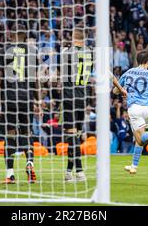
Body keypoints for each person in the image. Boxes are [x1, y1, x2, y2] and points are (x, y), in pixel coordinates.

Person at [0, 23, 40, 184]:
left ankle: (10, 174)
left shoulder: (3, 51)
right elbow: (35, 80)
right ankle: (30, 164)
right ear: (25, 36)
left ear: (11, 34)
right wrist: (39, 101)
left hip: (10, 98)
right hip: (27, 98)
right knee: (27, 133)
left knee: (11, 135)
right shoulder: (32, 52)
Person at [113, 50, 148, 174]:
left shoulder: (128, 72)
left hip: (135, 109)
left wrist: (123, 91)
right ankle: (134, 166)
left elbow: (115, 91)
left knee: (141, 138)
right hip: (147, 109)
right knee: (138, 139)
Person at [60, 27, 93, 183]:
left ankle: (79, 171)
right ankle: (68, 172)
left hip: (69, 97)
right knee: (76, 137)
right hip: (83, 98)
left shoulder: (67, 53)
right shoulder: (90, 54)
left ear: (74, 37)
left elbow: (62, 75)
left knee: (72, 137)